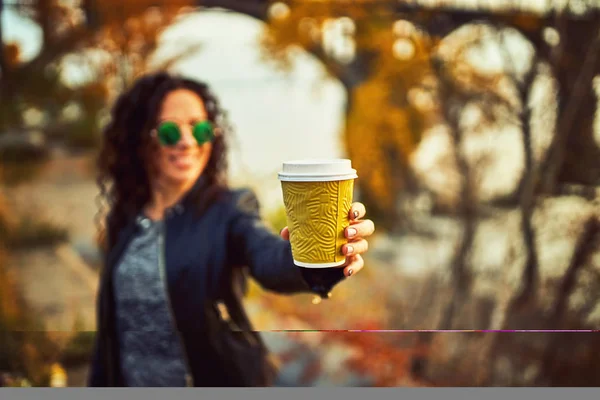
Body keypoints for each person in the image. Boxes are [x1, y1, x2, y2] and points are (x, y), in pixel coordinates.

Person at [88, 72, 376, 387]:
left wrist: (322, 258)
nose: (188, 142)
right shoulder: (126, 217)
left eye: (199, 129)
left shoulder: (228, 210)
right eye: (171, 132)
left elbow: (268, 258)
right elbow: (111, 334)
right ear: (141, 139)